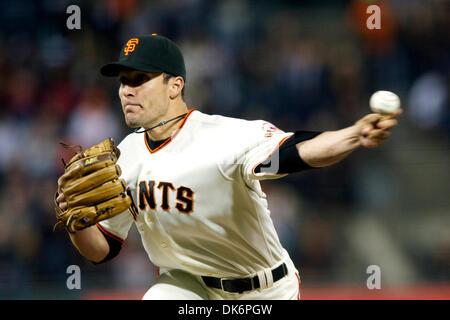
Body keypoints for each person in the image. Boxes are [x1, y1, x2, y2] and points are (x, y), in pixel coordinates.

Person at [56, 34, 402, 300]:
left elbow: (302, 152)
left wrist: (354, 134)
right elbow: (103, 250)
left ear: (175, 85)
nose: (126, 90)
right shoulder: (125, 157)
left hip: (263, 289)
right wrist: (77, 222)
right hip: (186, 286)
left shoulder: (224, 137)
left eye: (139, 79)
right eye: (122, 81)